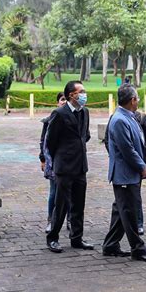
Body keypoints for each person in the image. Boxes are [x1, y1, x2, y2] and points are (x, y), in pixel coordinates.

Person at [102, 85, 146, 262]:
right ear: (132, 100)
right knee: (129, 211)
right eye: (137, 98)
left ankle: (110, 245)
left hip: (129, 173)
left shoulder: (128, 117)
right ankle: (138, 248)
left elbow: (138, 143)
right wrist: (142, 166)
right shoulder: (120, 119)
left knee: (121, 210)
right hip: (125, 174)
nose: (138, 101)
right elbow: (127, 149)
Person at [46, 81, 93, 253]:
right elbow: (50, 141)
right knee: (61, 204)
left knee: (78, 204)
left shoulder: (85, 112)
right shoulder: (59, 113)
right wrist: (61, 156)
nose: (84, 95)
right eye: (81, 92)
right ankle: (53, 237)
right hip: (64, 167)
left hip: (81, 166)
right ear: (71, 95)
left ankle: (77, 238)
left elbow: (85, 135)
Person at [39, 92, 68, 233]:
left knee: (69, 193)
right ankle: (51, 220)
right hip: (53, 161)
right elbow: (43, 140)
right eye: (61, 100)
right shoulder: (50, 119)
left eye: (65, 99)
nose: (63, 102)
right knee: (53, 191)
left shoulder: (73, 117)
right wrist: (43, 159)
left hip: (69, 162)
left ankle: (69, 220)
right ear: (57, 102)